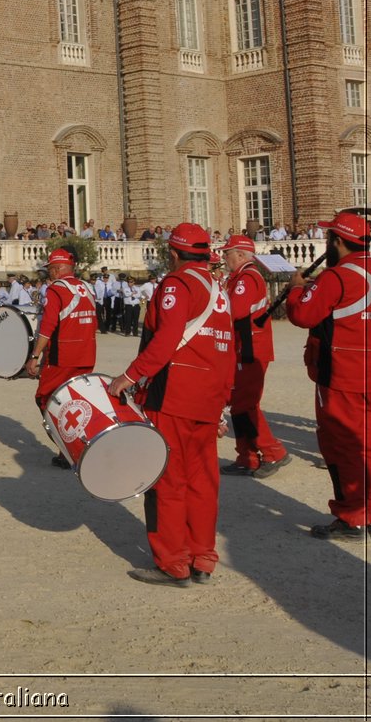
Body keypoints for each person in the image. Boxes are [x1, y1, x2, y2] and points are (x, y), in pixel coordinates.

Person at [108, 223, 234, 586]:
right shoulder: (218, 289)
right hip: (208, 400)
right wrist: (223, 404)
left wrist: (128, 378)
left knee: (166, 480)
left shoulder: (177, 285)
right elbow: (228, 351)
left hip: (174, 396)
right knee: (203, 483)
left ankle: (173, 563)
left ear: (174, 253)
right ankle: (203, 558)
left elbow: (165, 341)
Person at [287, 211, 371, 539]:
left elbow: (302, 315)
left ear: (337, 241)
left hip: (343, 376)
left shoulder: (335, 277)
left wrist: (297, 289)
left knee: (341, 447)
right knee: (367, 446)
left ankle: (353, 516)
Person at [219, 233, 290, 478]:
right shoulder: (241, 276)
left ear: (240, 254)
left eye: (226, 253)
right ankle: (246, 457)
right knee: (239, 404)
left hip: (249, 349)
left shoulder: (246, 277)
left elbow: (234, 310)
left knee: (245, 404)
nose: (224, 257)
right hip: (245, 347)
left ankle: (274, 452)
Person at [25, 248, 98, 467]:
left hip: (62, 356)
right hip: (86, 354)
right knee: (77, 402)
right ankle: (81, 446)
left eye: (50, 270)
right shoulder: (87, 288)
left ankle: (67, 450)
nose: (49, 275)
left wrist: (35, 355)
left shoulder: (56, 290)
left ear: (57, 269)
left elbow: (47, 327)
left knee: (47, 399)